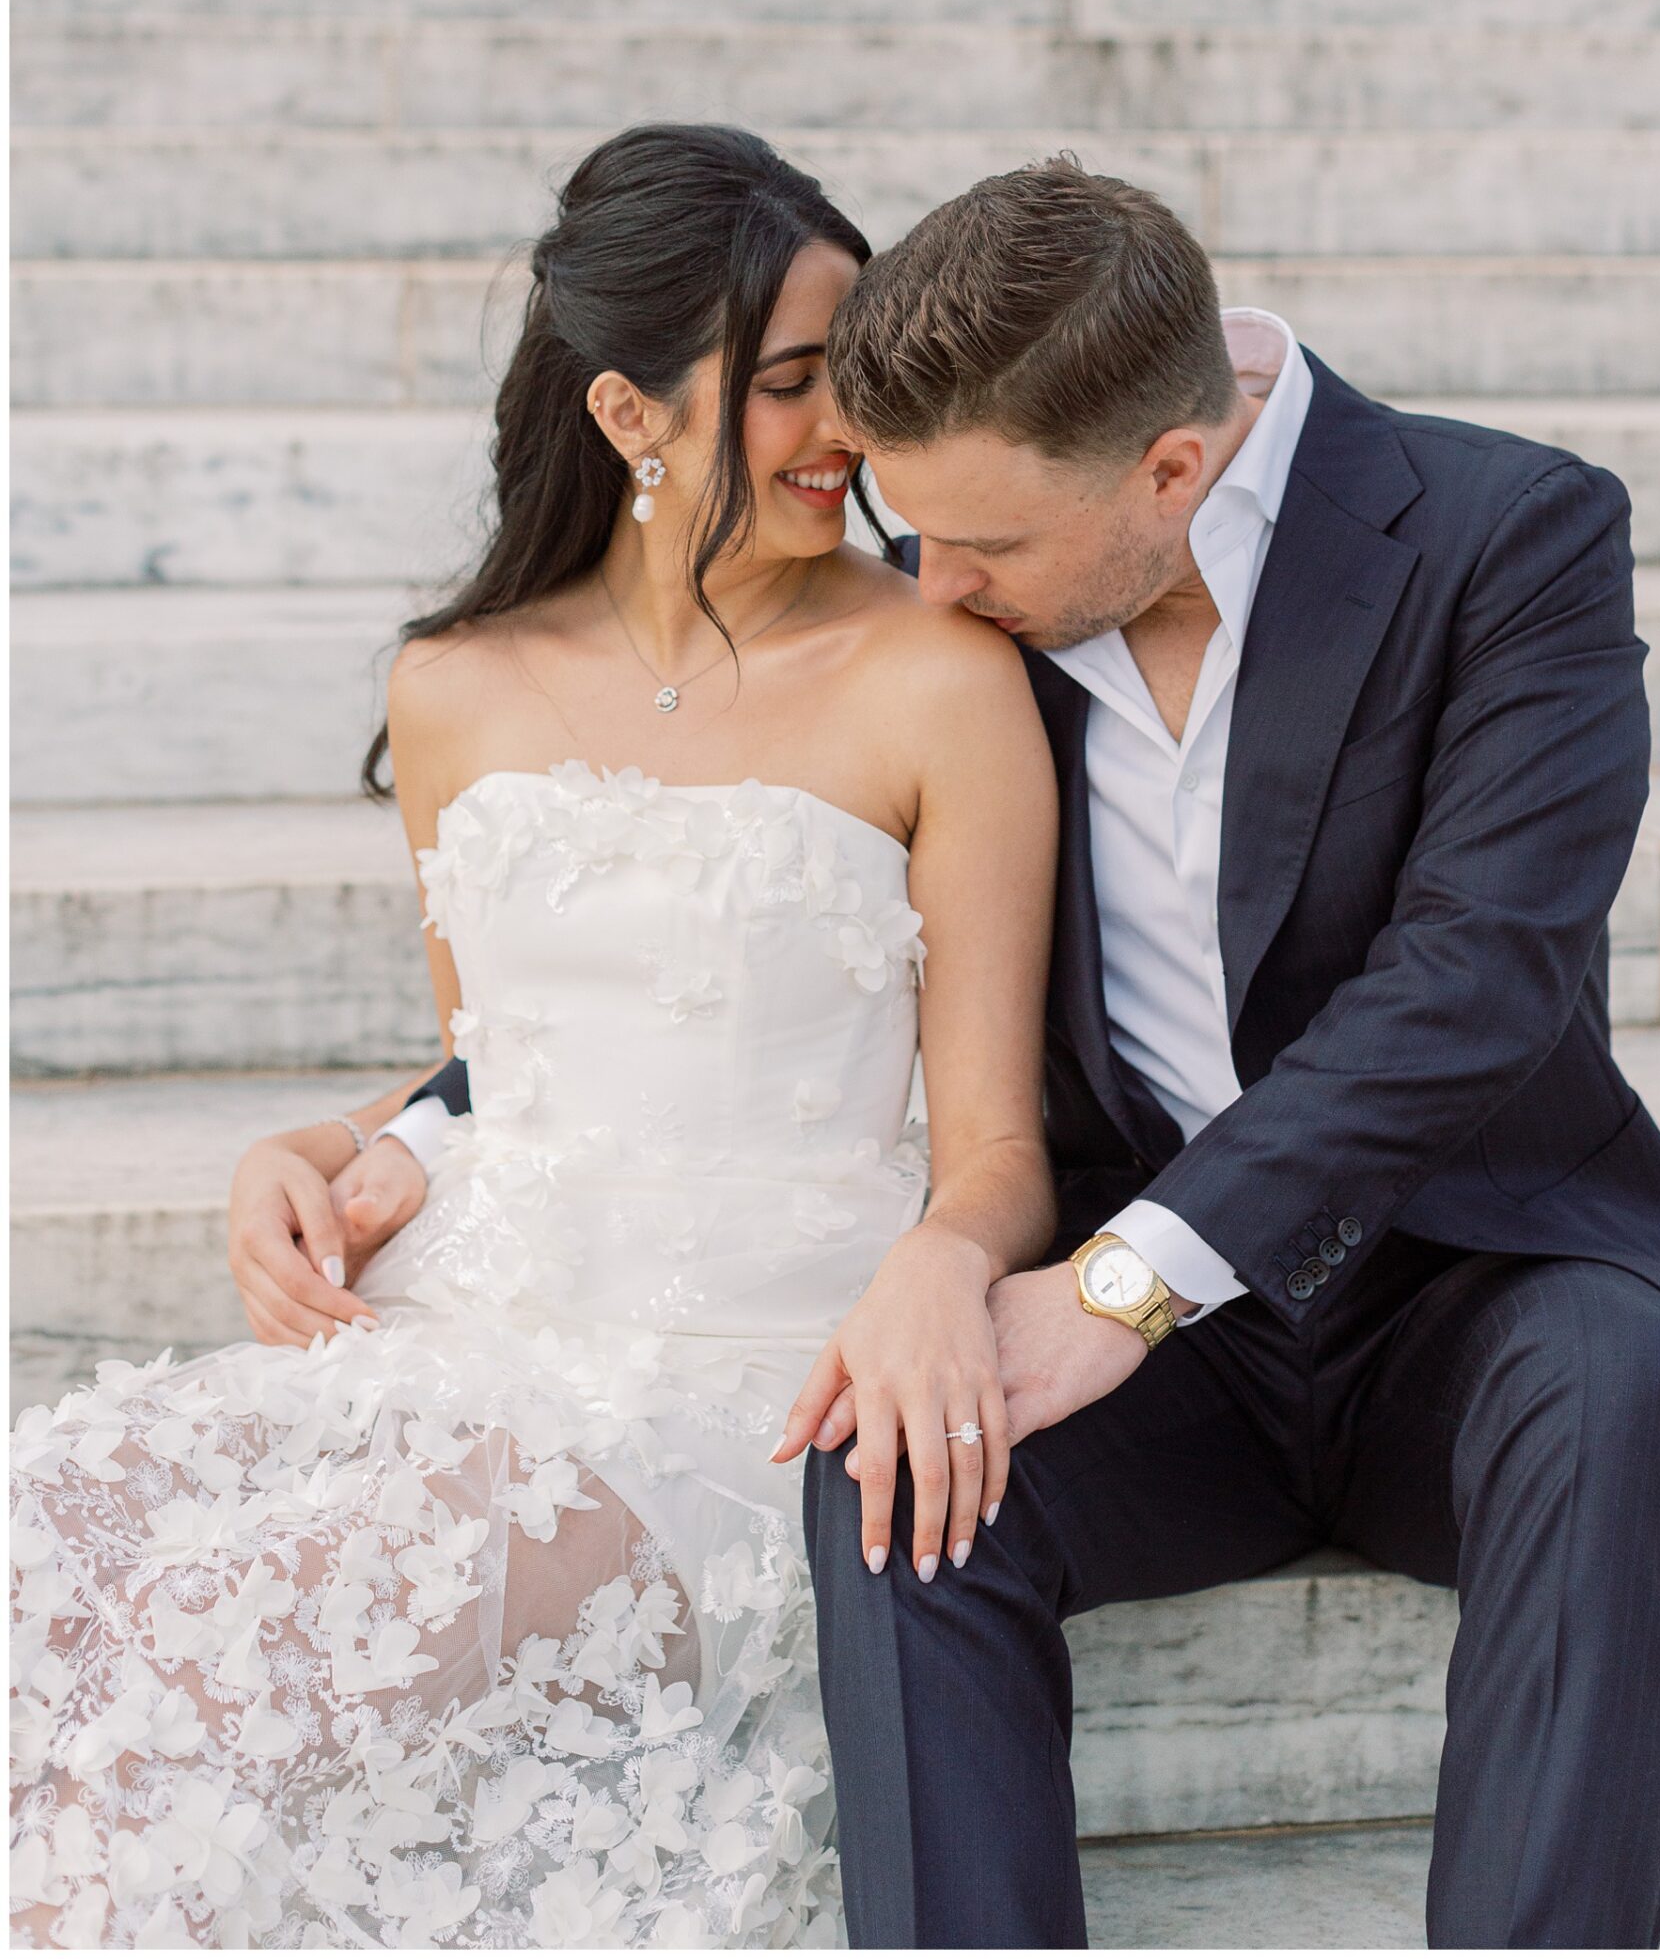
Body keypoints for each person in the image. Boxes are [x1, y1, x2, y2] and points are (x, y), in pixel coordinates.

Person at [8, 125, 1058, 1950]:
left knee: (245, 1677)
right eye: (794, 386)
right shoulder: (455, 682)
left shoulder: (937, 679)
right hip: (460, 1326)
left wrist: (942, 1271)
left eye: (857, 381)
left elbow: (1000, 1154)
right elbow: (493, 1067)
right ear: (629, 417)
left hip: (738, 1371)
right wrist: (333, 1151)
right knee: (55, 1552)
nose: (847, 438)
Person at [786, 156, 1660, 1950]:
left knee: (1611, 1393)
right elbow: (772, 906)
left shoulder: (1506, 537)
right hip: (1164, 1362)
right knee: (892, 1478)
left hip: (1473, 1283)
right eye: (910, 531)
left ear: (1173, 465)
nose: (929, 588)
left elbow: (1478, 977)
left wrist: (1125, 1282)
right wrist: (423, 1120)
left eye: (984, 545)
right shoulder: (969, 602)